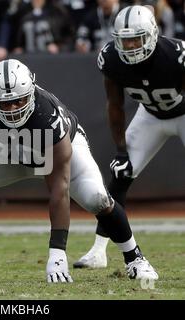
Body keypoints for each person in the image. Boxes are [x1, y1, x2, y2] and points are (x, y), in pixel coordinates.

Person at [0, 58, 158, 284]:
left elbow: (59, 188)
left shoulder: (46, 114)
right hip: (8, 152)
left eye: (19, 101)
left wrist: (57, 254)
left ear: (31, 93)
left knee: (96, 197)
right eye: (4, 103)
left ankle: (135, 258)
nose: (12, 110)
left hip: (51, 150)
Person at [73, 5, 184, 269]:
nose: (131, 46)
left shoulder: (176, 55)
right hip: (150, 117)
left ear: (153, 34)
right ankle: (98, 251)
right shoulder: (111, 58)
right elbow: (115, 105)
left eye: (137, 38)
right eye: (125, 40)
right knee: (121, 175)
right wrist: (121, 151)